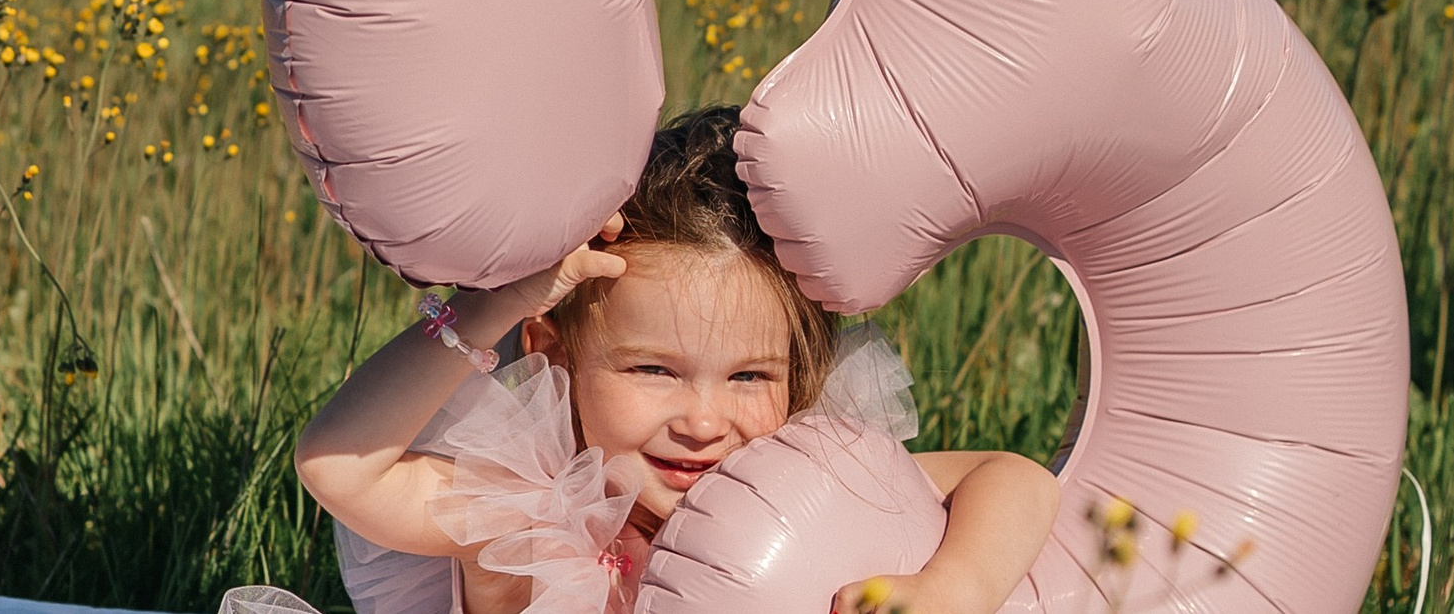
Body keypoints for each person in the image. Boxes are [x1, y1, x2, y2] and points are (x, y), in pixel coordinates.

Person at [283, 107, 1060, 614]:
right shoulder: (533, 507)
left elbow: (1017, 477)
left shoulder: (793, 486)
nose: (702, 419)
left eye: (750, 375)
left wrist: (955, 586)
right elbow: (337, 467)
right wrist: (496, 303)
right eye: (654, 370)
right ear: (554, 350)